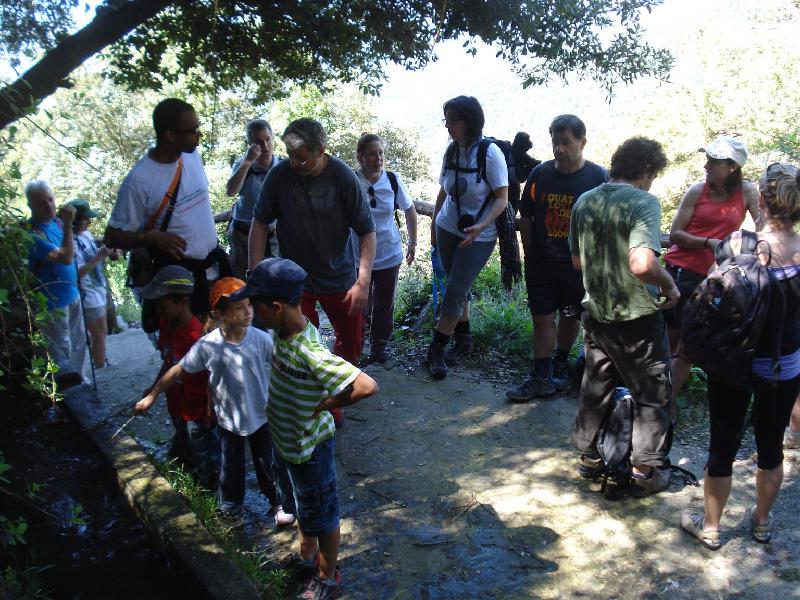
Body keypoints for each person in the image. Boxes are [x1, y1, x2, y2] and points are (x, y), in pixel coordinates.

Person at [233, 257, 379, 599]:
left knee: (323, 516)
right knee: (302, 508)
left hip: (310, 450)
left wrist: (327, 404)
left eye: (255, 305)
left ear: (276, 307)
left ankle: (328, 577)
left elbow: (367, 386)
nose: (251, 311)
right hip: (287, 446)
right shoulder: (281, 333)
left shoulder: (308, 350)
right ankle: (307, 557)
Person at [680, 164, 800, 549]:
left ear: (761, 200)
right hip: (785, 365)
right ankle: (762, 523)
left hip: (733, 361)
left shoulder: (739, 243)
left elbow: (716, 297)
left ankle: (711, 527)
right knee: (771, 448)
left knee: (722, 444)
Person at [135, 276, 294, 529]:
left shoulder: (260, 338)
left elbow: (280, 366)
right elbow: (178, 370)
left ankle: (279, 503)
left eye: (249, 306)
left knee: (268, 462)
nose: (248, 312)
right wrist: (152, 395)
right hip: (229, 420)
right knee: (230, 468)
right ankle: (232, 510)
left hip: (262, 415)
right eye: (239, 308)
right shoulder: (208, 346)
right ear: (220, 314)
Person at [248, 118, 376, 425]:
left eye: (302, 157)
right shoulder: (279, 177)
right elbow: (260, 224)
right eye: (290, 156)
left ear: (321, 150)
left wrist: (362, 281)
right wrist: (255, 274)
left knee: (351, 340)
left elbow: (367, 232)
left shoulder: (343, 178)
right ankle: (311, 402)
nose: (295, 163)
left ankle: (336, 396)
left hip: (341, 277)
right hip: (295, 280)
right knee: (299, 343)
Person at [569, 136, 677, 498]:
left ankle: (589, 459)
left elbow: (578, 261)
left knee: (596, 385)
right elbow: (643, 263)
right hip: (637, 319)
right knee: (652, 393)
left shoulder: (585, 200)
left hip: (597, 314)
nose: (651, 183)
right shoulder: (642, 201)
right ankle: (644, 472)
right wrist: (669, 286)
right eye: (652, 175)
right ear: (646, 170)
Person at [507, 115, 607, 401]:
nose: (559, 149)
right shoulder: (540, 174)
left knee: (570, 315)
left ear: (582, 143)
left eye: (566, 143)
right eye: (555, 143)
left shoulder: (598, 178)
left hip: (578, 267)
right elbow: (526, 214)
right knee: (541, 318)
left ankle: (560, 363)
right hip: (542, 263)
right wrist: (530, 252)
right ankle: (540, 376)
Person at [105, 98, 230, 325]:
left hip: (213, 271)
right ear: (170, 135)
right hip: (179, 284)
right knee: (190, 351)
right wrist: (150, 237)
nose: (199, 135)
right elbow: (112, 236)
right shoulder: (139, 180)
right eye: (193, 131)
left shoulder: (191, 156)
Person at [665, 136, 760, 396]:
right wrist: (709, 242)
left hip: (712, 279)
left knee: (687, 344)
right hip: (681, 270)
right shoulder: (698, 190)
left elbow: (763, 226)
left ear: (731, 167)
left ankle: (667, 401)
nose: (706, 165)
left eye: (713, 161)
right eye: (707, 159)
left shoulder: (747, 191)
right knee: (674, 338)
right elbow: (675, 234)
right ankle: (666, 399)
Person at [426, 95, 509, 379]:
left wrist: (481, 225)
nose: (447, 125)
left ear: (469, 121)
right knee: (456, 285)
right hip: (447, 226)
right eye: (446, 119)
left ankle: (436, 349)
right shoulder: (451, 152)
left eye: (452, 120)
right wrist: (434, 230)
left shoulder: (490, 154)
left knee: (455, 290)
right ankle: (464, 340)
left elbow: (502, 200)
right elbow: (442, 192)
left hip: (480, 235)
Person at [135, 265, 218, 487]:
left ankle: (211, 496)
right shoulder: (166, 325)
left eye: (163, 306)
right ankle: (187, 472)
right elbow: (169, 360)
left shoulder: (196, 336)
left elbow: (212, 375)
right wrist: (154, 389)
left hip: (198, 411)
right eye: (156, 306)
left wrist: (211, 409)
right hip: (177, 404)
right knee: (184, 440)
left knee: (205, 455)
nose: (159, 311)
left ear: (182, 302)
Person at [355, 133, 418, 366]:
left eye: (380, 153)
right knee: (359, 303)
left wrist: (412, 243)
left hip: (389, 252)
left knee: (384, 304)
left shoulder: (392, 179)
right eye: (372, 154)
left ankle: (379, 346)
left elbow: (409, 210)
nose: (378, 158)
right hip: (358, 255)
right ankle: (356, 345)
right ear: (360, 157)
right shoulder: (352, 181)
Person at [25, 180, 85, 388]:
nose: (49, 205)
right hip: (52, 306)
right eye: (42, 203)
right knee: (61, 352)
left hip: (73, 294)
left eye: (50, 199)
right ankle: (67, 395)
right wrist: (68, 224)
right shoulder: (33, 234)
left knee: (78, 345)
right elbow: (66, 257)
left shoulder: (56, 224)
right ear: (31, 206)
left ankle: (80, 387)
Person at [225, 118, 281, 278]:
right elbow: (231, 191)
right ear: (250, 143)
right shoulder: (242, 164)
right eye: (258, 142)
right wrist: (248, 161)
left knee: (271, 281)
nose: (265, 147)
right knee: (244, 280)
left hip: (272, 238)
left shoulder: (282, 167)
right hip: (242, 235)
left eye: (268, 139)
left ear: (273, 138)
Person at [68, 199, 111, 371]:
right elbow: (76, 274)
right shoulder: (69, 242)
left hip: (98, 288)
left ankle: (100, 362)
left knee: (102, 331)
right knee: (98, 333)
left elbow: (94, 249)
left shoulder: (86, 234)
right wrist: (98, 257)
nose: (90, 222)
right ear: (76, 220)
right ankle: (100, 368)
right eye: (86, 218)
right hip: (87, 294)